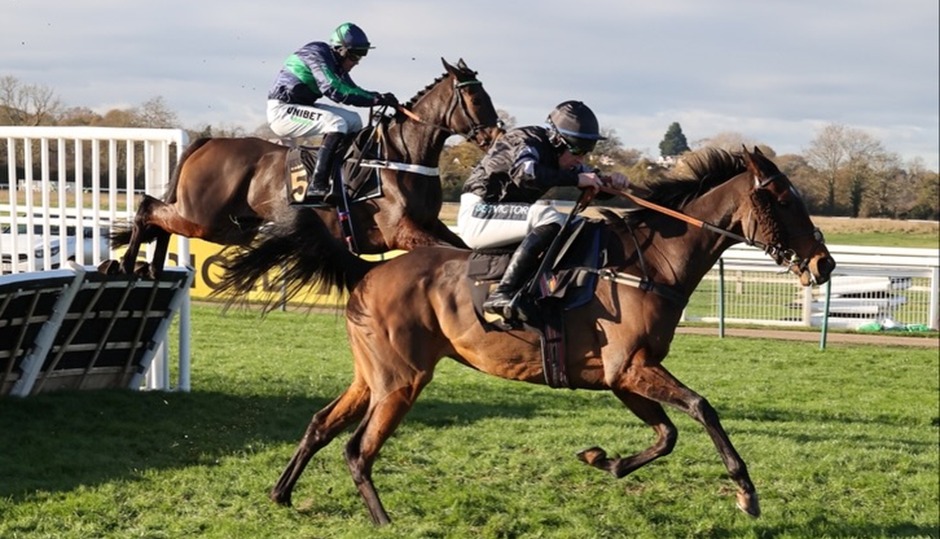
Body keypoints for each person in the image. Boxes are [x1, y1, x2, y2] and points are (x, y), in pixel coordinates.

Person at [457, 100, 630, 320]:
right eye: (577, 150)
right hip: (480, 213)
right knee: (546, 214)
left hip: (504, 215)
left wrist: (610, 183)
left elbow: (589, 179)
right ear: (558, 140)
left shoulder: (561, 155)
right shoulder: (525, 140)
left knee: (578, 224)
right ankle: (503, 293)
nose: (581, 158)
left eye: (586, 152)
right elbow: (526, 174)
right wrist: (577, 178)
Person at [267, 22, 399, 199]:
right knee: (335, 123)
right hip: (283, 111)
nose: (356, 62)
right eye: (354, 56)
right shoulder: (317, 53)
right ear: (340, 50)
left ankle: (342, 176)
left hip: (302, 107)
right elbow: (335, 89)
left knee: (353, 120)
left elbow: (352, 89)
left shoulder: (336, 62)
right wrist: (375, 99)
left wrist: (377, 96)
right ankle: (317, 184)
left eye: (360, 56)